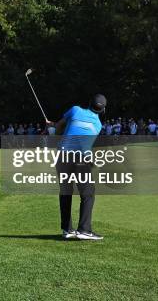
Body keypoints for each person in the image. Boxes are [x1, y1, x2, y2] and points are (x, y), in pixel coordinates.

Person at [50, 94, 107, 241]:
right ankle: (84, 230)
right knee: (88, 192)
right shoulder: (98, 125)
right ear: (102, 110)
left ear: (89, 103)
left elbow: (60, 127)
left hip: (62, 156)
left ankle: (67, 230)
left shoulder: (75, 110)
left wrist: (53, 129)